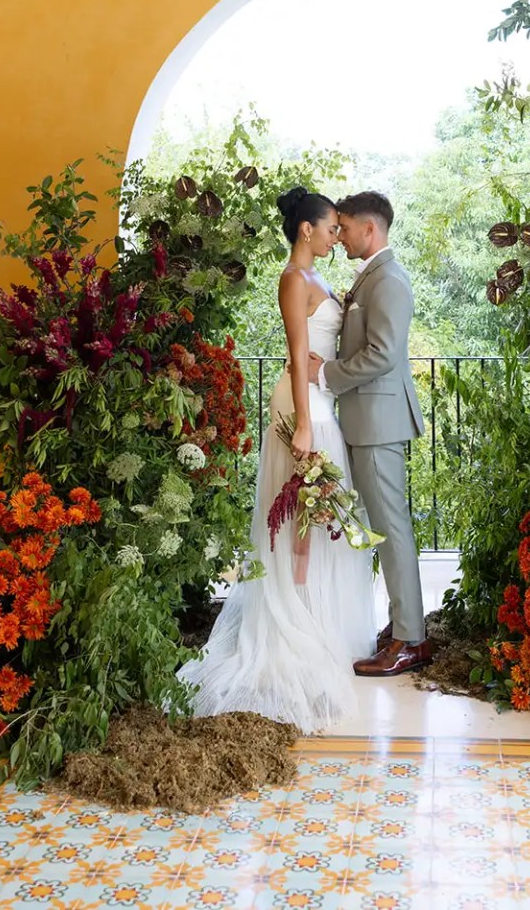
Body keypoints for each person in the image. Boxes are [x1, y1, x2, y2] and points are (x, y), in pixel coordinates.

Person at [177, 187, 375, 731]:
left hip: (322, 398)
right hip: (303, 404)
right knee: (301, 512)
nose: (338, 234)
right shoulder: (294, 278)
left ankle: (317, 617)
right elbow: (294, 352)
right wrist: (306, 423)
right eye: (331, 227)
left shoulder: (318, 279)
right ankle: (297, 618)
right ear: (306, 231)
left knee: (319, 510)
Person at [308, 191, 432, 677]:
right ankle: (404, 626)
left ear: (369, 230)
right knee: (385, 528)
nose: (338, 237)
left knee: (392, 529)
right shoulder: (372, 278)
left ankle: (410, 641)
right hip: (367, 421)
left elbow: (381, 354)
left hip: (380, 425)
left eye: (344, 228)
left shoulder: (390, 281)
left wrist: (327, 375)